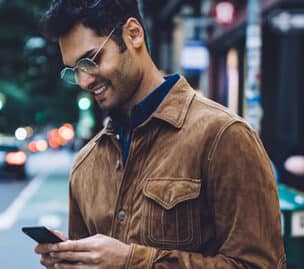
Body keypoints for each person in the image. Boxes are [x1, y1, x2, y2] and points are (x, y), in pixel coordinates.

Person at [35, 0, 286, 268]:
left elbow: (261, 264)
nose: (84, 81)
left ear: (133, 34)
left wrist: (132, 262)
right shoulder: (86, 164)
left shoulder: (223, 136)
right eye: (75, 70)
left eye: (91, 60)